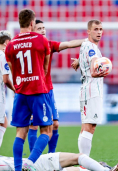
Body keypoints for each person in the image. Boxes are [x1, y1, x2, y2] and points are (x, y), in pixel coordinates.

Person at [5, 9, 52, 171]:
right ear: (32, 23)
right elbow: (45, 68)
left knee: (20, 133)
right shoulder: (41, 40)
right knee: (46, 130)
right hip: (38, 91)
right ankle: (30, 163)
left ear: (19, 23)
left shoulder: (10, 45)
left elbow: (11, 68)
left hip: (20, 92)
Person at [28, 19, 86, 154]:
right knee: (34, 125)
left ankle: (51, 155)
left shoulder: (48, 44)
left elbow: (69, 44)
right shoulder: (28, 47)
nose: (43, 30)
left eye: (43, 28)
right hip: (34, 91)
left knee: (55, 124)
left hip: (48, 91)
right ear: (32, 31)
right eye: (39, 28)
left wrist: (86, 40)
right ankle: (33, 159)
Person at [70, 20, 107, 157]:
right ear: (89, 31)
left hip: (87, 89)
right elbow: (93, 66)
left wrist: (78, 61)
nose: (99, 32)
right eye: (96, 29)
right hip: (92, 90)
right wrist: (99, 72)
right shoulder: (92, 48)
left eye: (100, 29)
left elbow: (85, 57)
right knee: (89, 127)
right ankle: (84, 161)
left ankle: (83, 159)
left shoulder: (85, 45)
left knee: (87, 126)